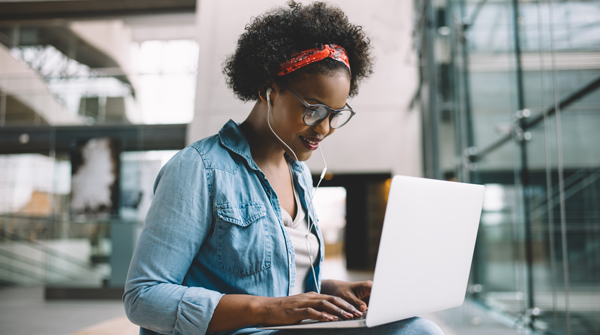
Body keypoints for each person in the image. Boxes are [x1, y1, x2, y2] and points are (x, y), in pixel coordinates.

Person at [123, 2, 444, 335]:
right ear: (268, 91)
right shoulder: (198, 169)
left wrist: (328, 292)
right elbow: (143, 297)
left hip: (290, 330)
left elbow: (277, 279)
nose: (324, 129)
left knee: (417, 329)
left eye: (336, 114)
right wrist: (266, 310)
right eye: (313, 110)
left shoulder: (298, 174)